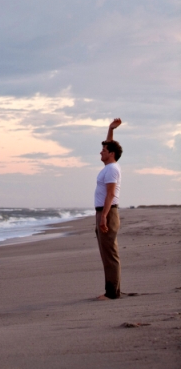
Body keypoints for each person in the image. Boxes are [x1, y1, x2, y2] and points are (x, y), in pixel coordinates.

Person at [94, 118, 123, 300]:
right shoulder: (110, 166)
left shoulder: (112, 169)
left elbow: (110, 194)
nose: (101, 152)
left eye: (104, 150)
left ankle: (112, 293)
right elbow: (109, 144)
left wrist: (104, 216)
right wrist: (110, 129)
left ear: (111, 154)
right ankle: (112, 290)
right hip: (104, 212)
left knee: (110, 254)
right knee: (106, 253)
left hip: (108, 212)